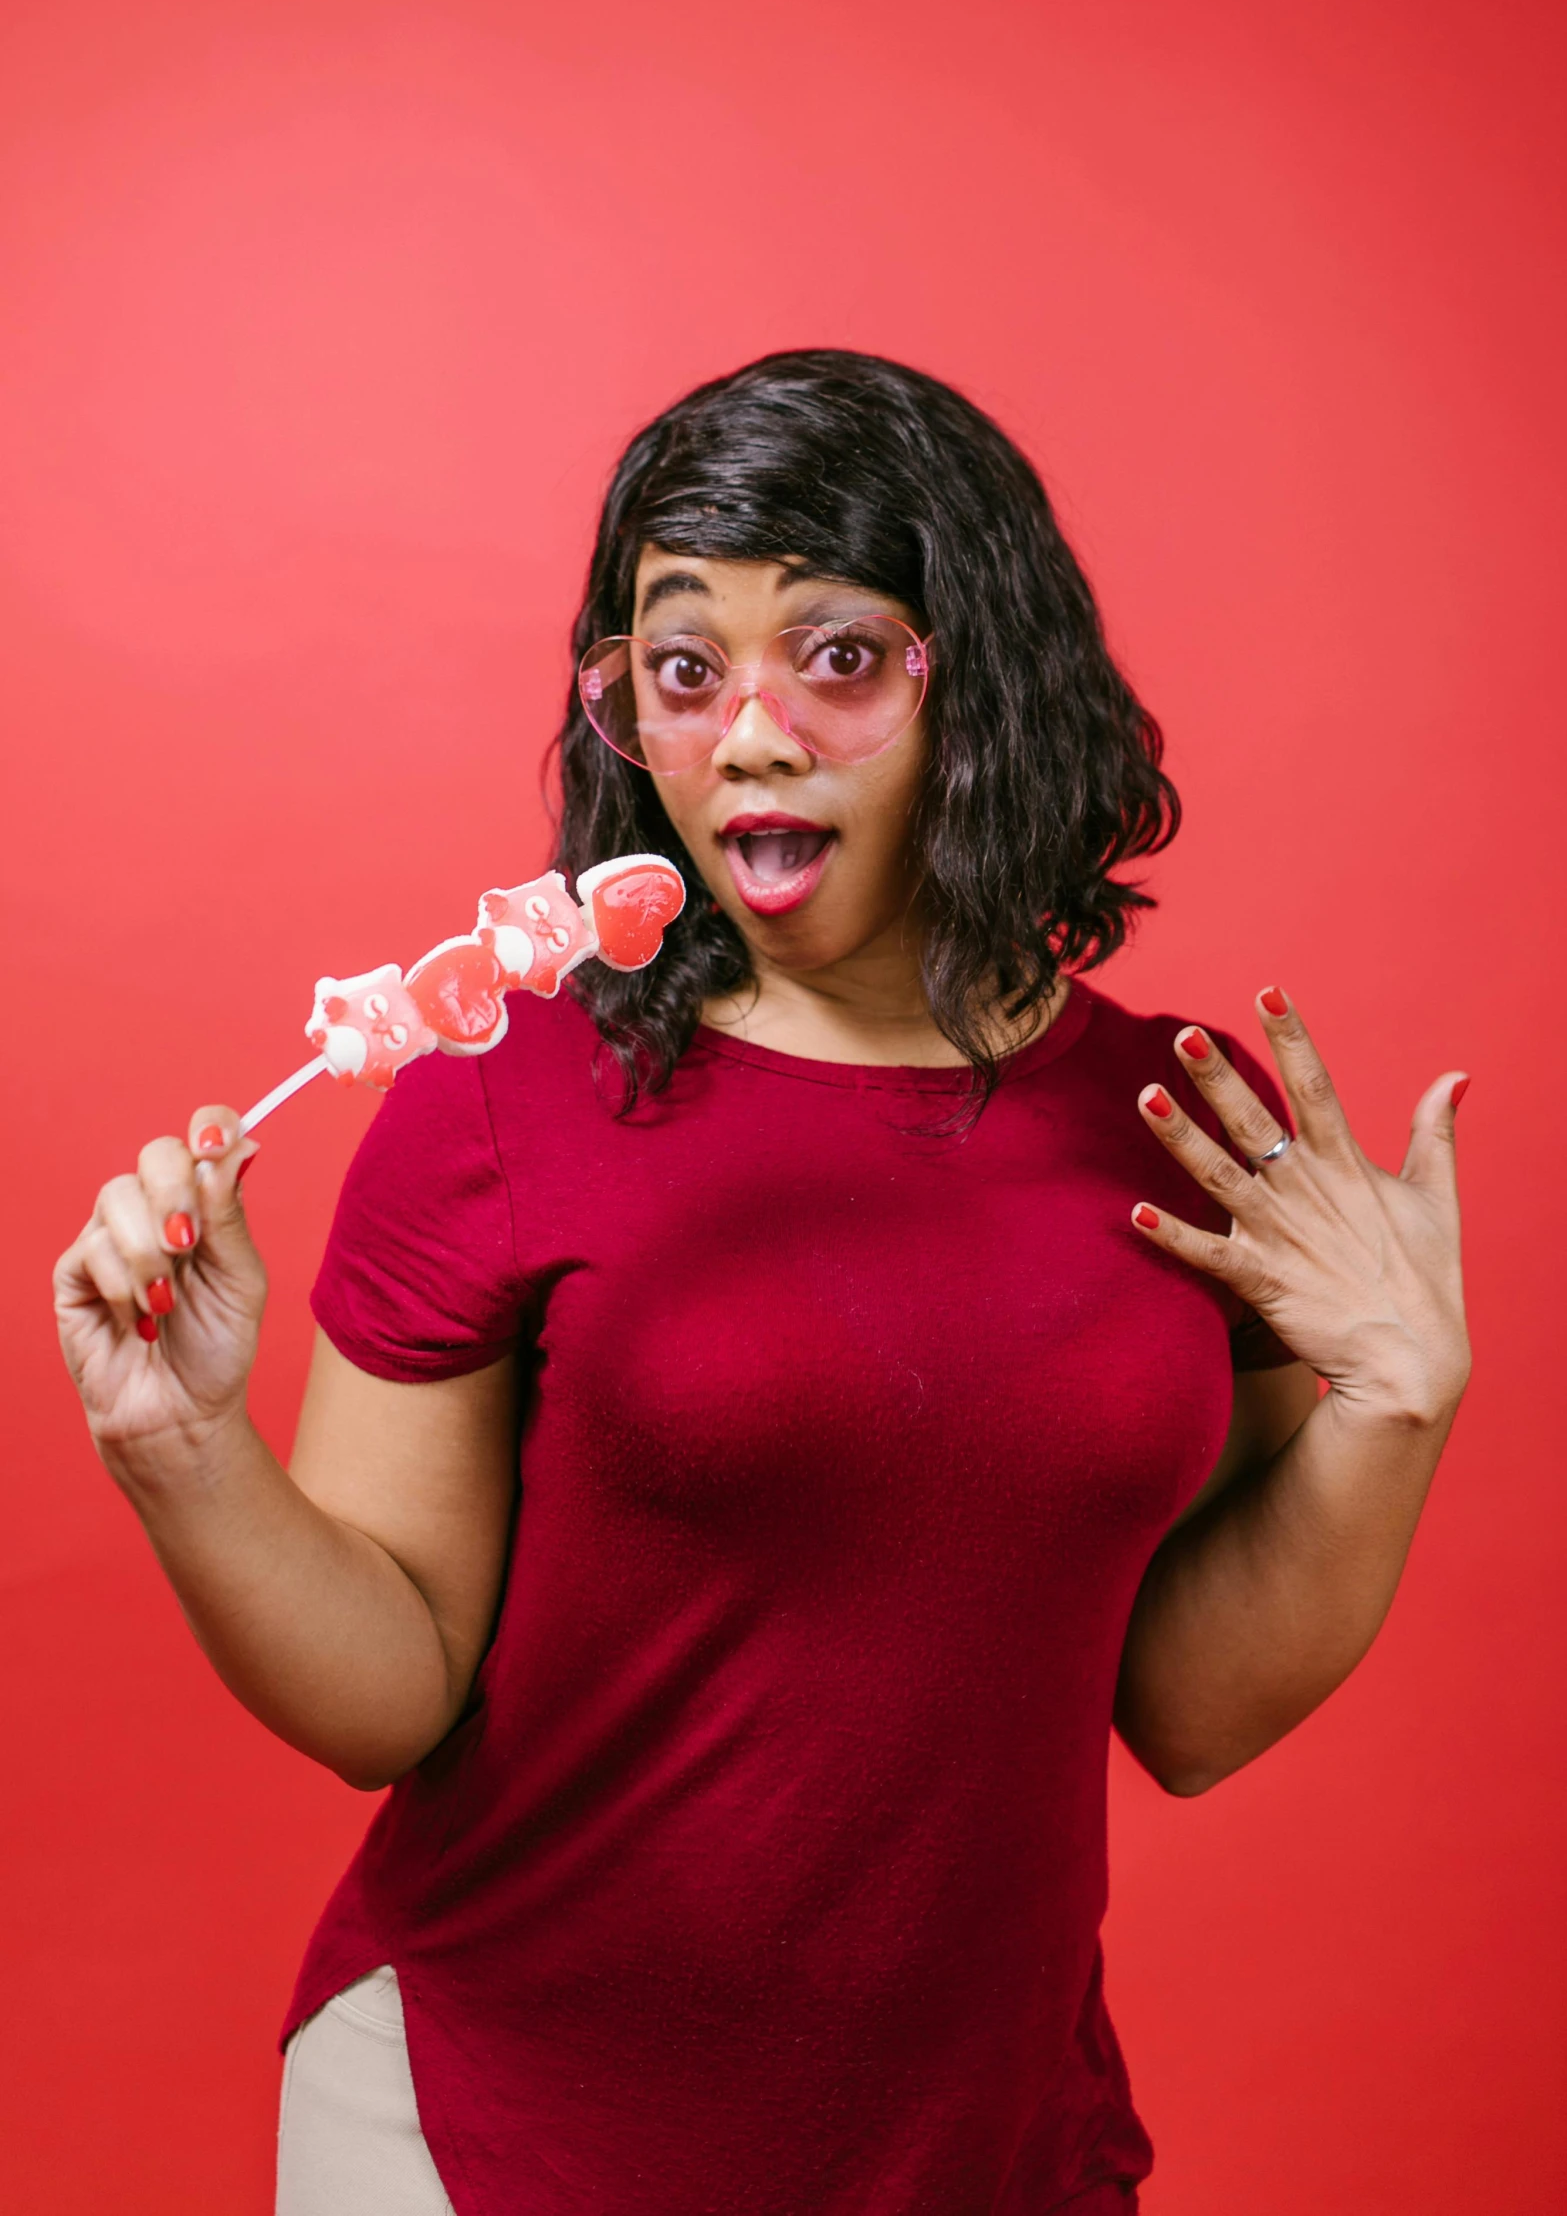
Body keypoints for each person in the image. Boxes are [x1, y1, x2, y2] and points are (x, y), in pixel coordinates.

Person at [53, 350, 1471, 2216]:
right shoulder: (501, 1098)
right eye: (682, 666)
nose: (749, 734)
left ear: (986, 680)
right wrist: (182, 1444)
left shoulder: (1180, 1123)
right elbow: (387, 1692)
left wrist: (1392, 1405)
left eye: (837, 654)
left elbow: (1185, 1708)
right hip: (487, 2126)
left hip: (982, 2151)